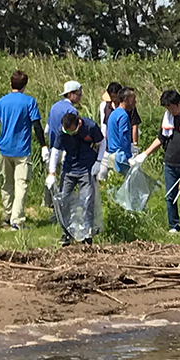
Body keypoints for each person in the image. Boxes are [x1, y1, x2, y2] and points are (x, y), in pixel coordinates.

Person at [0, 70, 48, 230]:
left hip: (5, 149)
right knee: (21, 185)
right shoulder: (29, 102)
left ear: (11, 84)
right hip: (22, 150)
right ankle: (17, 221)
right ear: (24, 85)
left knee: (7, 184)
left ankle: (7, 216)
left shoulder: (1, 102)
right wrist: (43, 145)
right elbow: (36, 125)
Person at [131, 90, 180, 237]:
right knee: (170, 195)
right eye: (167, 108)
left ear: (179, 103)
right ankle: (174, 226)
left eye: (172, 107)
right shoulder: (168, 118)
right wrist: (145, 154)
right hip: (170, 163)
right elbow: (161, 138)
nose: (170, 111)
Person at [45, 112, 103, 246]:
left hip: (86, 169)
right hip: (69, 170)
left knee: (87, 201)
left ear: (78, 124)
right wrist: (52, 173)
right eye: (67, 132)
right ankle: (67, 232)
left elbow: (102, 142)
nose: (69, 134)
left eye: (72, 132)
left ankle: (87, 234)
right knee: (63, 200)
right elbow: (56, 150)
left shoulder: (90, 126)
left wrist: (98, 162)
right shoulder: (62, 131)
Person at [46, 81, 84, 182]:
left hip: (53, 149)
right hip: (65, 152)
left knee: (53, 180)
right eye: (78, 95)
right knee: (64, 182)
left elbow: (47, 130)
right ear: (70, 94)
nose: (80, 97)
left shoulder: (54, 107)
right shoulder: (72, 111)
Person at [105, 87, 135, 177]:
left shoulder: (114, 113)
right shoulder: (123, 116)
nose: (135, 102)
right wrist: (129, 156)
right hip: (120, 157)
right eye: (133, 98)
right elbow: (124, 138)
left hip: (111, 155)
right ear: (126, 99)